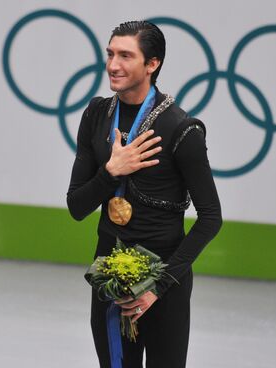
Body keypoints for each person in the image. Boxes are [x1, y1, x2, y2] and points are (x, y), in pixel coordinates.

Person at [66, 21, 222, 367]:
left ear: (152, 64)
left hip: (165, 287)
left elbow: (211, 217)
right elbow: (77, 206)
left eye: (125, 55)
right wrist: (111, 172)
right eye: (110, 54)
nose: (112, 65)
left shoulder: (181, 129)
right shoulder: (96, 116)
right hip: (109, 281)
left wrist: (157, 287)